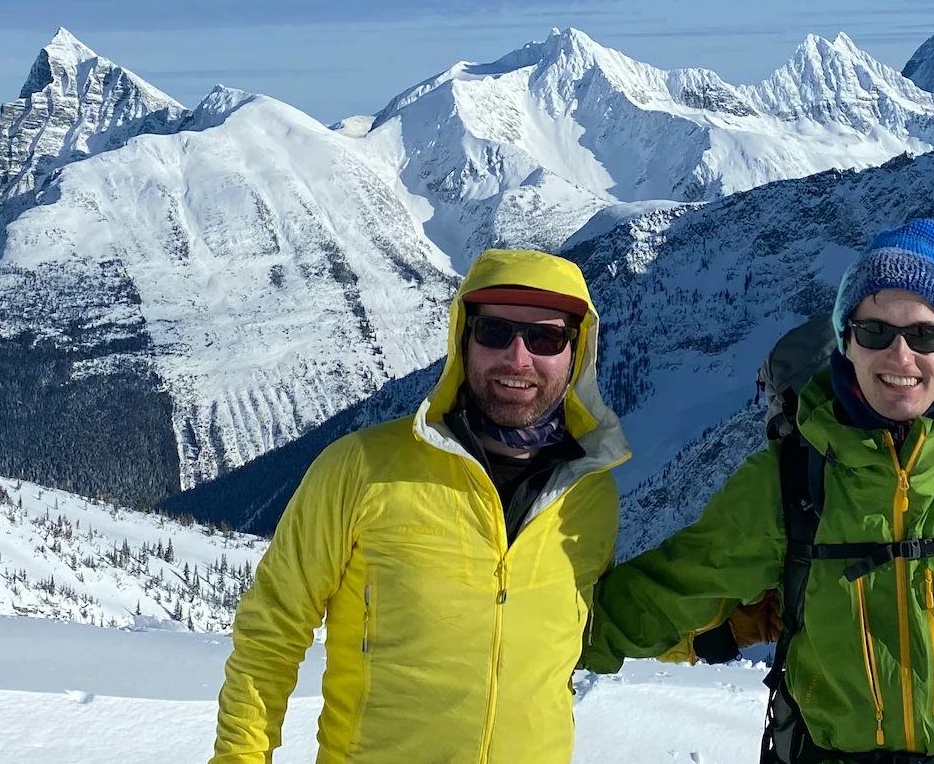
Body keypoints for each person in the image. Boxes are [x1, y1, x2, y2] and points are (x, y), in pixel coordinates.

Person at [582, 218, 934, 763]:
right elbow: (669, 591)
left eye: (924, 333)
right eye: (876, 332)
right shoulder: (788, 480)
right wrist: (548, 641)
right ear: (846, 340)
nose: (901, 356)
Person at [210, 248, 629, 764]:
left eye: (545, 337)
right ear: (464, 340)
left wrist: (722, 623)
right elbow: (271, 630)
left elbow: (601, 623)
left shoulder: (590, 496)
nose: (518, 358)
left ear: (575, 351)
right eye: (495, 332)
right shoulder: (361, 468)